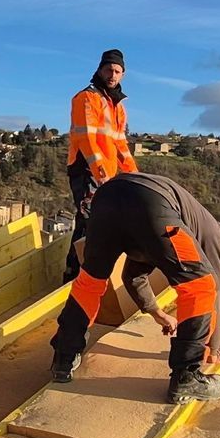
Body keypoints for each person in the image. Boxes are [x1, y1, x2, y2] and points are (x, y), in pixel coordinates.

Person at [51, 172, 220, 404]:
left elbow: (132, 275)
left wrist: (158, 314)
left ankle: (64, 357)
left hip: (107, 197)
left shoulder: (182, 222)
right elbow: (213, 292)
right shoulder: (214, 237)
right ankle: (187, 376)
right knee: (201, 286)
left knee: (90, 281)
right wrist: (214, 350)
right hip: (150, 202)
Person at [63, 48, 138, 283]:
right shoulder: (86, 98)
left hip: (106, 173)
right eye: (109, 69)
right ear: (100, 70)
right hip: (86, 169)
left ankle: (87, 278)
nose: (113, 75)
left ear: (123, 75)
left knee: (100, 223)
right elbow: (87, 140)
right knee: (89, 221)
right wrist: (102, 174)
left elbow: (121, 146)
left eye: (117, 71)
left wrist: (136, 178)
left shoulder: (117, 106)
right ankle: (74, 278)